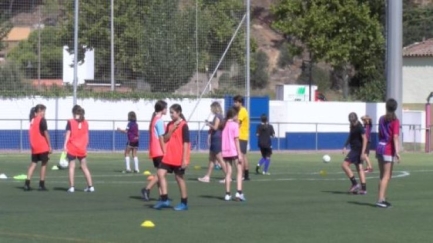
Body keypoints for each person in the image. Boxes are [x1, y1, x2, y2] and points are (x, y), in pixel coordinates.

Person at [153, 104, 190, 211]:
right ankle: (164, 199)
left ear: (178, 113)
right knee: (160, 174)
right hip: (169, 156)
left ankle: (184, 202)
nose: (170, 114)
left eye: (172, 112)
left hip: (179, 157)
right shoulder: (170, 124)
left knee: (179, 178)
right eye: (170, 112)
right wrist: (171, 130)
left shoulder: (184, 125)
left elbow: (186, 143)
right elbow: (165, 139)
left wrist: (184, 159)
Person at [376, 99, 400, 208]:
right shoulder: (395, 121)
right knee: (387, 176)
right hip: (388, 149)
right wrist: (398, 152)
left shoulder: (381, 118)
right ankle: (381, 200)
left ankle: (382, 198)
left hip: (379, 147)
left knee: (382, 176)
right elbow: (395, 137)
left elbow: (379, 133)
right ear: (395, 108)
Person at [64, 106, 94, 193]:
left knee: (71, 167)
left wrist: (64, 145)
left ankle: (72, 187)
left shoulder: (70, 122)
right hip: (82, 148)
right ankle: (90, 186)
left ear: (74, 113)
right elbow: (86, 135)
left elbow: (68, 134)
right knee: (84, 167)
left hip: (72, 147)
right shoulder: (86, 123)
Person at [142, 100, 167, 201]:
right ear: (162, 109)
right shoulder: (159, 121)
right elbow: (161, 137)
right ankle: (147, 189)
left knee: (160, 173)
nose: (167, 110)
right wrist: (165, 150)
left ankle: (162, 195)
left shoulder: (154, 119)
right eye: (166, 108)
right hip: (159, 150)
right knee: (161, 173)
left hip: (154, 149)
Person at [24, 104, 52, 191]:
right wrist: (50, 146)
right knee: (44, 164)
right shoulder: (42, 120)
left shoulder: (32, 121)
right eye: (41, 111)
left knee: (33, 164)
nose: (43, 113)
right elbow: (46, 133)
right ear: (36, 113)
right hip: (42, 146)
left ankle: (27, 183)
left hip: (34, 147)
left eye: (43, 111)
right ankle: (41, 184)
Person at [198, 101, 227, 183]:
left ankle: (227, 177)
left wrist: (208, 124)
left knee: (220, 159)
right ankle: (207, 177)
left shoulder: (218, 116)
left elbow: (215, 128)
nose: (211, 110)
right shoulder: (220, 116)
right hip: (216, 138)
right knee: (211, 159)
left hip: (217, 139)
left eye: (211, 108)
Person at [221, 107, 245, 201]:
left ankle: (227, 194)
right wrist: (239, 154)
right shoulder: (234, 125)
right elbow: (236, 140)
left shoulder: (224, 124)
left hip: (225, 151)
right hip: (233, 151)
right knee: (239, 171)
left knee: (228, 173)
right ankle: (239, 192)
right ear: (234, 115)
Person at [342, 112, 367, 195]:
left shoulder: (360, 127)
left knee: (344, 165)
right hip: (355, 148)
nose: (352, 122)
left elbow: (365, 139)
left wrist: (363, 153)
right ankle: (363, 189)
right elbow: (351, 136)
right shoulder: (352, 125)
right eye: (351, 121)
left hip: (357, 150)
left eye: (353, 121)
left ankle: (355, 184)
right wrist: (345, 145)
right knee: (359, 168)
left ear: (356, 119)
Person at [232, 95, 250, 181]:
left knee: (241, 156)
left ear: (240, 103)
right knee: (243, 155)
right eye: (234, 102)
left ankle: (242, 175)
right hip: (242, 136)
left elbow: (238, 123)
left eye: (236, 102)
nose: (234, 103)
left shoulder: (242, 111)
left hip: (241, 136)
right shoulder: (240, 111)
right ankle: (246, 174)